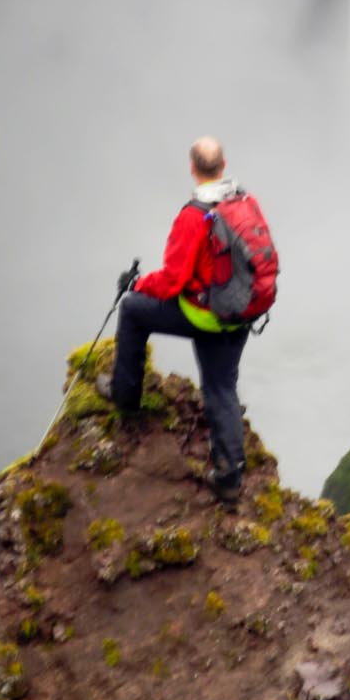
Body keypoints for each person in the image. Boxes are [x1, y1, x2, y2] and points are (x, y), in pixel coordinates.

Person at [109, 136, 251, 503]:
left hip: (204, 314)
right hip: (239, 314)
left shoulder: (194, 216)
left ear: (192, 167)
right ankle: (230, 477)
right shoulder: (244, 201)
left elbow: (173, 280)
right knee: (221, 389)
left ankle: (125, 396)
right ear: (223, 165)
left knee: (133, 310)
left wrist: (136, 283)